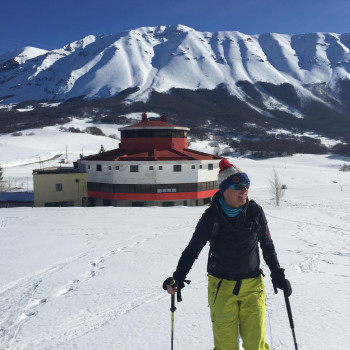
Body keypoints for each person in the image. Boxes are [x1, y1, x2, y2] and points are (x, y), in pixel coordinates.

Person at [163, 159, 292, 350]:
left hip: (253, 286)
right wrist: (178, 278)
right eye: (239, 186)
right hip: (221, 288)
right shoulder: (210, 217)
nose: (245, 190)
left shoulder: (255, 212)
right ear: (225, 189)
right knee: (225, 346)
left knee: (255, 345)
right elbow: (192, 250)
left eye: (247, 185)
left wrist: (278, 275)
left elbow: (267, 245)